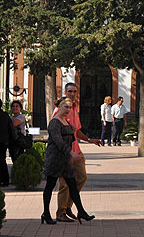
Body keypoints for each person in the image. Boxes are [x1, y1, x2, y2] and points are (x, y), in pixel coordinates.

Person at [52, 83, 102, 223]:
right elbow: (55, 132)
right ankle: (61, 212)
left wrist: (89, 140)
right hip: (65, 153)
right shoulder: (59, 110)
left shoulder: (74, 108)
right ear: (65, 92)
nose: (72, 94)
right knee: (64, 184)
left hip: (76, 151)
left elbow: (77, 131)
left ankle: (68, 206)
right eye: (70, 91)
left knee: (82, 177)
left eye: (74, 91)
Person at [41, 98, 95, 225]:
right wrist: (72, 153)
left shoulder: (66, 121)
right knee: (50, 186)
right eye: (66, 107)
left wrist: (73, 130)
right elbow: (58, 141)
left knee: (72, 185)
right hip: (55, 159)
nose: (68, 110)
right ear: (59, 107)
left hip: (65, 160)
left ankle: (81, 211)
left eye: (70, 107)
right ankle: (46, 213)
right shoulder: (54, 122)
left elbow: (71, 139)